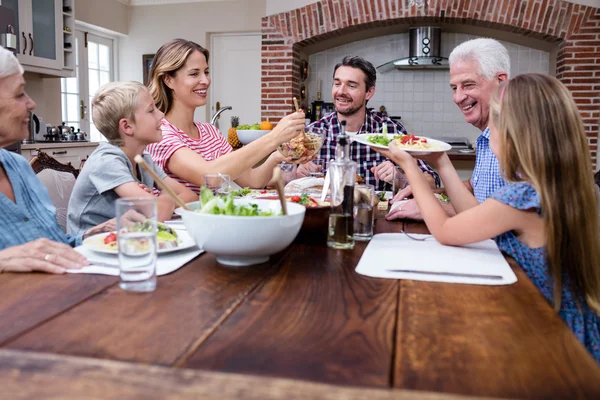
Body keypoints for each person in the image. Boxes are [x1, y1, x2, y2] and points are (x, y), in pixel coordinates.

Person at [374, 73, 600, 363]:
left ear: (512, 133)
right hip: (573, 324)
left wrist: (408, 164)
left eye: (493, 124)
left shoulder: (521, 198)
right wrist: (441, 162)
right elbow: (473, 216)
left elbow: (445, 230)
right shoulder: (552, 189)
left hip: (559, 342)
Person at [0, 46, 111, 274]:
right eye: (20, 93)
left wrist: (96, 234)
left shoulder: (18, 166)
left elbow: (54, 246)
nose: (31, 104)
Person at [146, 39, 309, 193]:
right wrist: (274, 137)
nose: (205, 80)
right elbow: (209, 177)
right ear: (168, 80)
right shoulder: (159, 134)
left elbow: (253, 180)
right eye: (194, 74)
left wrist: (277, 156)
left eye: (206, 72)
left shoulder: (210, 132)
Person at [387, 38, 509, 220]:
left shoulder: (520, 138)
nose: (458, 98)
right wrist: (433, 193)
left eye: (468, 84)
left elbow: (508, 216)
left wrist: (434, 207)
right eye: (454, 88)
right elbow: (477, 187)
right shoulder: (486, 137)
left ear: (501, 82)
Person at [67, 81, 198, 236]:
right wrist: (166, 196)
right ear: (127, 126)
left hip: (128, 238)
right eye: (151, 110)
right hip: (90, 248)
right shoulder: (107, 161)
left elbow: (190, 196)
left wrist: (158, 199)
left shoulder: (143, 159)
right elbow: (158, 214)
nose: (161, 114)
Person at [297, 55, 440, 190]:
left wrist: (401, 178)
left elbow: (432, 181)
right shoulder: (313, 132)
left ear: (369, 92)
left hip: (376, 214)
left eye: (351, 86)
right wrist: (297, 173)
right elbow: (282, 178)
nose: (341, 91)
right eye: (337, 83)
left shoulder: (390, 130)